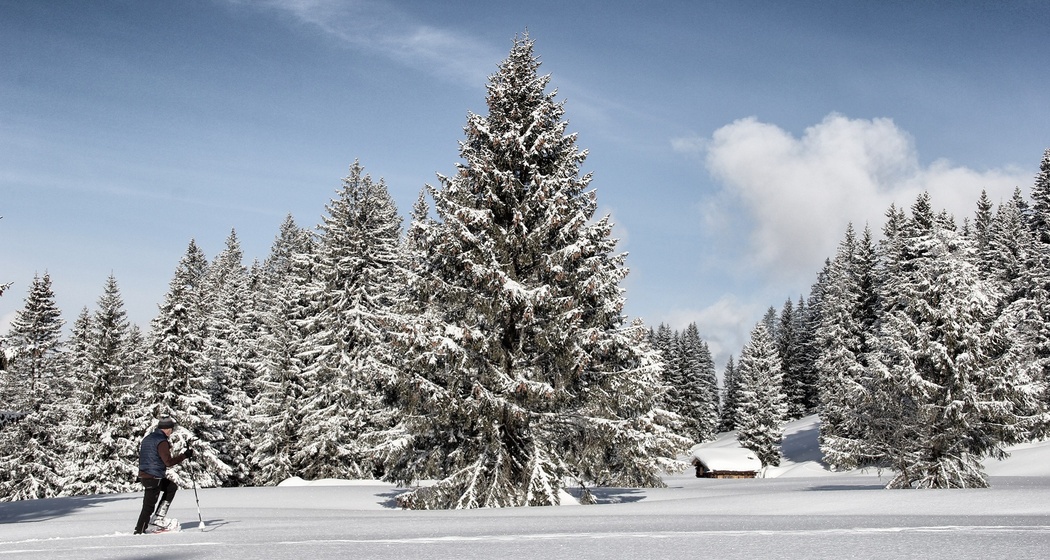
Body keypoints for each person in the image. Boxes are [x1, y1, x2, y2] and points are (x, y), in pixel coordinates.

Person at [134, 416, 194, 534]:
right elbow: (168, 462)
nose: (171, 431)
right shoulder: (162, 441)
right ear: (167, 429)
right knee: (148, 506)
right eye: (171, 429)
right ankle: (139, 530)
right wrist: (184, 456)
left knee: (171, 487)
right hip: (153, 477)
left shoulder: (148, 438)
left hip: (146, 475)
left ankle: (158, 517)